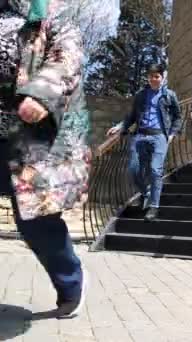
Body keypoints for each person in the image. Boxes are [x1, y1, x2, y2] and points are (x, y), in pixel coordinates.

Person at [0, 0, 90, 318]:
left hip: (29, 136)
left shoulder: (48, 13)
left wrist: (41, 92)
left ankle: (71, 283)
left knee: (35, 220)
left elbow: (67, 56)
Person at [106, 64, 181, 222]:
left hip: (159, 136)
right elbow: (132, 116)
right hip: (140, 135)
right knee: (133, 169)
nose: (153, 79)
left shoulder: (169, 95)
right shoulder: (141, 95)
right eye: (151, 76)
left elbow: (177, 117)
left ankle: (154, 206)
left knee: (155, 170)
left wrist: (173, 133)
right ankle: (146, 194)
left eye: (157, 76)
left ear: (162, 77)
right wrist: (120, 127)